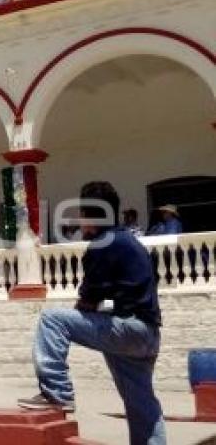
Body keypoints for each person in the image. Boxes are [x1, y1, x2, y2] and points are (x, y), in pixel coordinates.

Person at [18, 182, 165, 445]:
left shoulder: (102, 245)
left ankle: (57, 393)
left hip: (129, 329)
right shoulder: (131, 242)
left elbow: (88, 302)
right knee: (141, 402)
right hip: (149, 333)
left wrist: (77, 323)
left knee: (52, 320)